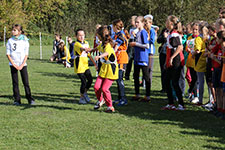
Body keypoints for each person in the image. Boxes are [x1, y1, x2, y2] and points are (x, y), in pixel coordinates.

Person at [87, 26, 119, 112]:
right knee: (96, 87)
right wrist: (91, 50)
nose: (96, 36)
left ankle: (110, 106)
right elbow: (97, 48)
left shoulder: (108, 45)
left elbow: (107, 52)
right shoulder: (102, 44)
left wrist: (99, 56)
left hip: (111, 70)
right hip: (104, 69)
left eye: (97, 35)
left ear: (101, 36)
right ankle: (101, 100)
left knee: (105, 89)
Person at [6, 24, 35, 105]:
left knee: (26, 82)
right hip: (13, 64)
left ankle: (30, 99)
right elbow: (8, 54)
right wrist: (14, 64)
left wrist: (22, 64)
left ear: (20, 31)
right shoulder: (10, 41)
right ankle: (17, 99)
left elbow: (26, 54)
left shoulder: (25, 40)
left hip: (23, 64)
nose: (12, 31)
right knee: (15, 82)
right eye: (12, 30)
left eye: (14, 30)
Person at [161, 15, 185, 110]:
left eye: (167, 21)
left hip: (176, 60)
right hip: (170, 59)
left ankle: (181, 104)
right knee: (167, 81)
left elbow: (180, 47)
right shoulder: (171, 33)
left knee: (175, 82)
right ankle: (171, 103)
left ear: (171, 23)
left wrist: (172, 58)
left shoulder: (174, 34)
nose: (165, 23)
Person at [130, 16, 151, 102]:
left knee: (146, 76)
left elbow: (146, 45)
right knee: (136, 76)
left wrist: (135, 44)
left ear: (142, 23)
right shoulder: (137, 32)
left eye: (138, 22)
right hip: (137, 57)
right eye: (136, 22)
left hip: (143, 58)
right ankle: (137, 94)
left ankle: (148, 95)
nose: (136, 24)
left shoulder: (143, 32)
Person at [74, 29, 97, 104]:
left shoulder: (86, 43)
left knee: (90, 80)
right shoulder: (76, 44)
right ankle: (81, 98)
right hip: (79, 65)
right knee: (83, 81)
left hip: (85, 65)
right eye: (79, 35)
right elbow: (82, 49)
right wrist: (87, 49)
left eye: (83, 35)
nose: (81, 37)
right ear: (76, 36)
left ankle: (85, 93)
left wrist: (95, 64)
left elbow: (89, 55)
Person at [109, 19, 129, 106]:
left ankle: (123, 99)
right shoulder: (117, 35)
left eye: (112, 26)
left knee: (120, 79)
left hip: (121, 58)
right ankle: (119, 98)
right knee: (117, 78)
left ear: (115, 26)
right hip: (118, 57)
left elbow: (116, 46)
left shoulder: (121, 35)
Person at [185, 22, 199, 103]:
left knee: (196, 79)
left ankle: (194, 94)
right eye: (193, 29)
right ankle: (192, 93)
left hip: (197, 61)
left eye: (196, 30)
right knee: (193, 78)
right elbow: (187, 47)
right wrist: (188, 50)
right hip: (190, 61)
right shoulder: (190, 38)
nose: (194, 31)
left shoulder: (200, 38)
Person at [144, 14, 156, 97]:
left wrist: (147, 39)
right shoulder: (144, 30)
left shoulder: (152, 30)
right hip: (145, 51)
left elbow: (152, 41)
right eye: (145, 23)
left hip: (150, 52)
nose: (146, 24)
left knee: (149, 69)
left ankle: (148, 83)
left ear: (151, 23)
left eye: (147, 23)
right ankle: (144, 82)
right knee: (145, 68)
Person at [125, 16, 137, 80]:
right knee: (129, 60)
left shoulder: (138, 28)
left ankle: (135, 76)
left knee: (135, 61)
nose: (130, 21)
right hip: (130, 43)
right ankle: (127, 75)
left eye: (131, 20)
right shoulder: (130, 28)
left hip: (135, 43)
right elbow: (129, 36)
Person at [157, 28, 168, 92]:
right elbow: (158, 40)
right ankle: (164, 87)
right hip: (163, 53)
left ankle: (168, 88)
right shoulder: (164, 30)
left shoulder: (173, 32)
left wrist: (166, 37)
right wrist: (164, 37)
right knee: (163, 70)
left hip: (169, 53)